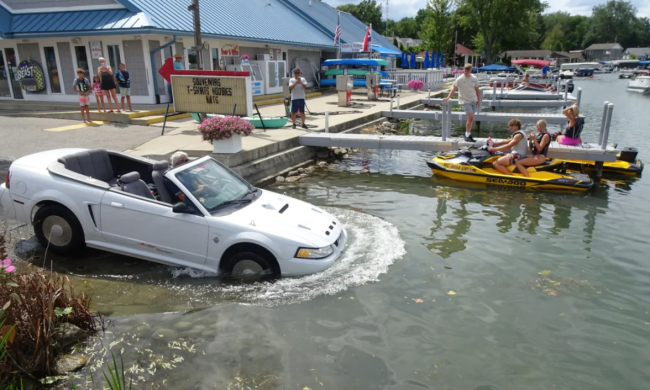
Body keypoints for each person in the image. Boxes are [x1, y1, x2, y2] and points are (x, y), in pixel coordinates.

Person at [442, 63, 480, 142]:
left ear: (470, 70)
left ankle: (468, 134)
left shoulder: (474, 78)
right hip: (464, 101)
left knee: (471, 119)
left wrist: (479, 101)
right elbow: (454, 88)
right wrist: (448, 97)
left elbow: (477, 90)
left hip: (473, 100)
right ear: (463, 70)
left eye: (467, 71)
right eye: (464, 70)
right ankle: (467, 135)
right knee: (470, 117)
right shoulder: (459, 79)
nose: (465, 72)